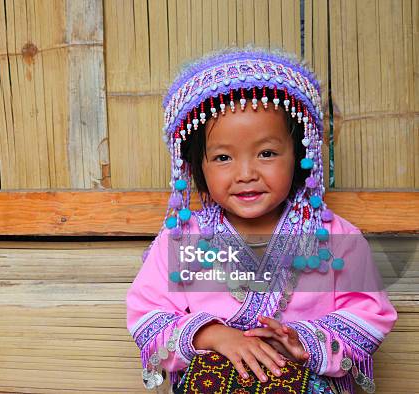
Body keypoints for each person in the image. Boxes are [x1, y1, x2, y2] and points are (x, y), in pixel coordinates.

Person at [126, 46, 397, 394]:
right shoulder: (181, 238)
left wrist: (305, 342)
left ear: (300, 154)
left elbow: (370, 313)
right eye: (223, 157)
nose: (246, 173)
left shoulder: (334, 236)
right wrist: (213, 335)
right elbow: (148, 315)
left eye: (267, 153)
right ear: (197, 167)